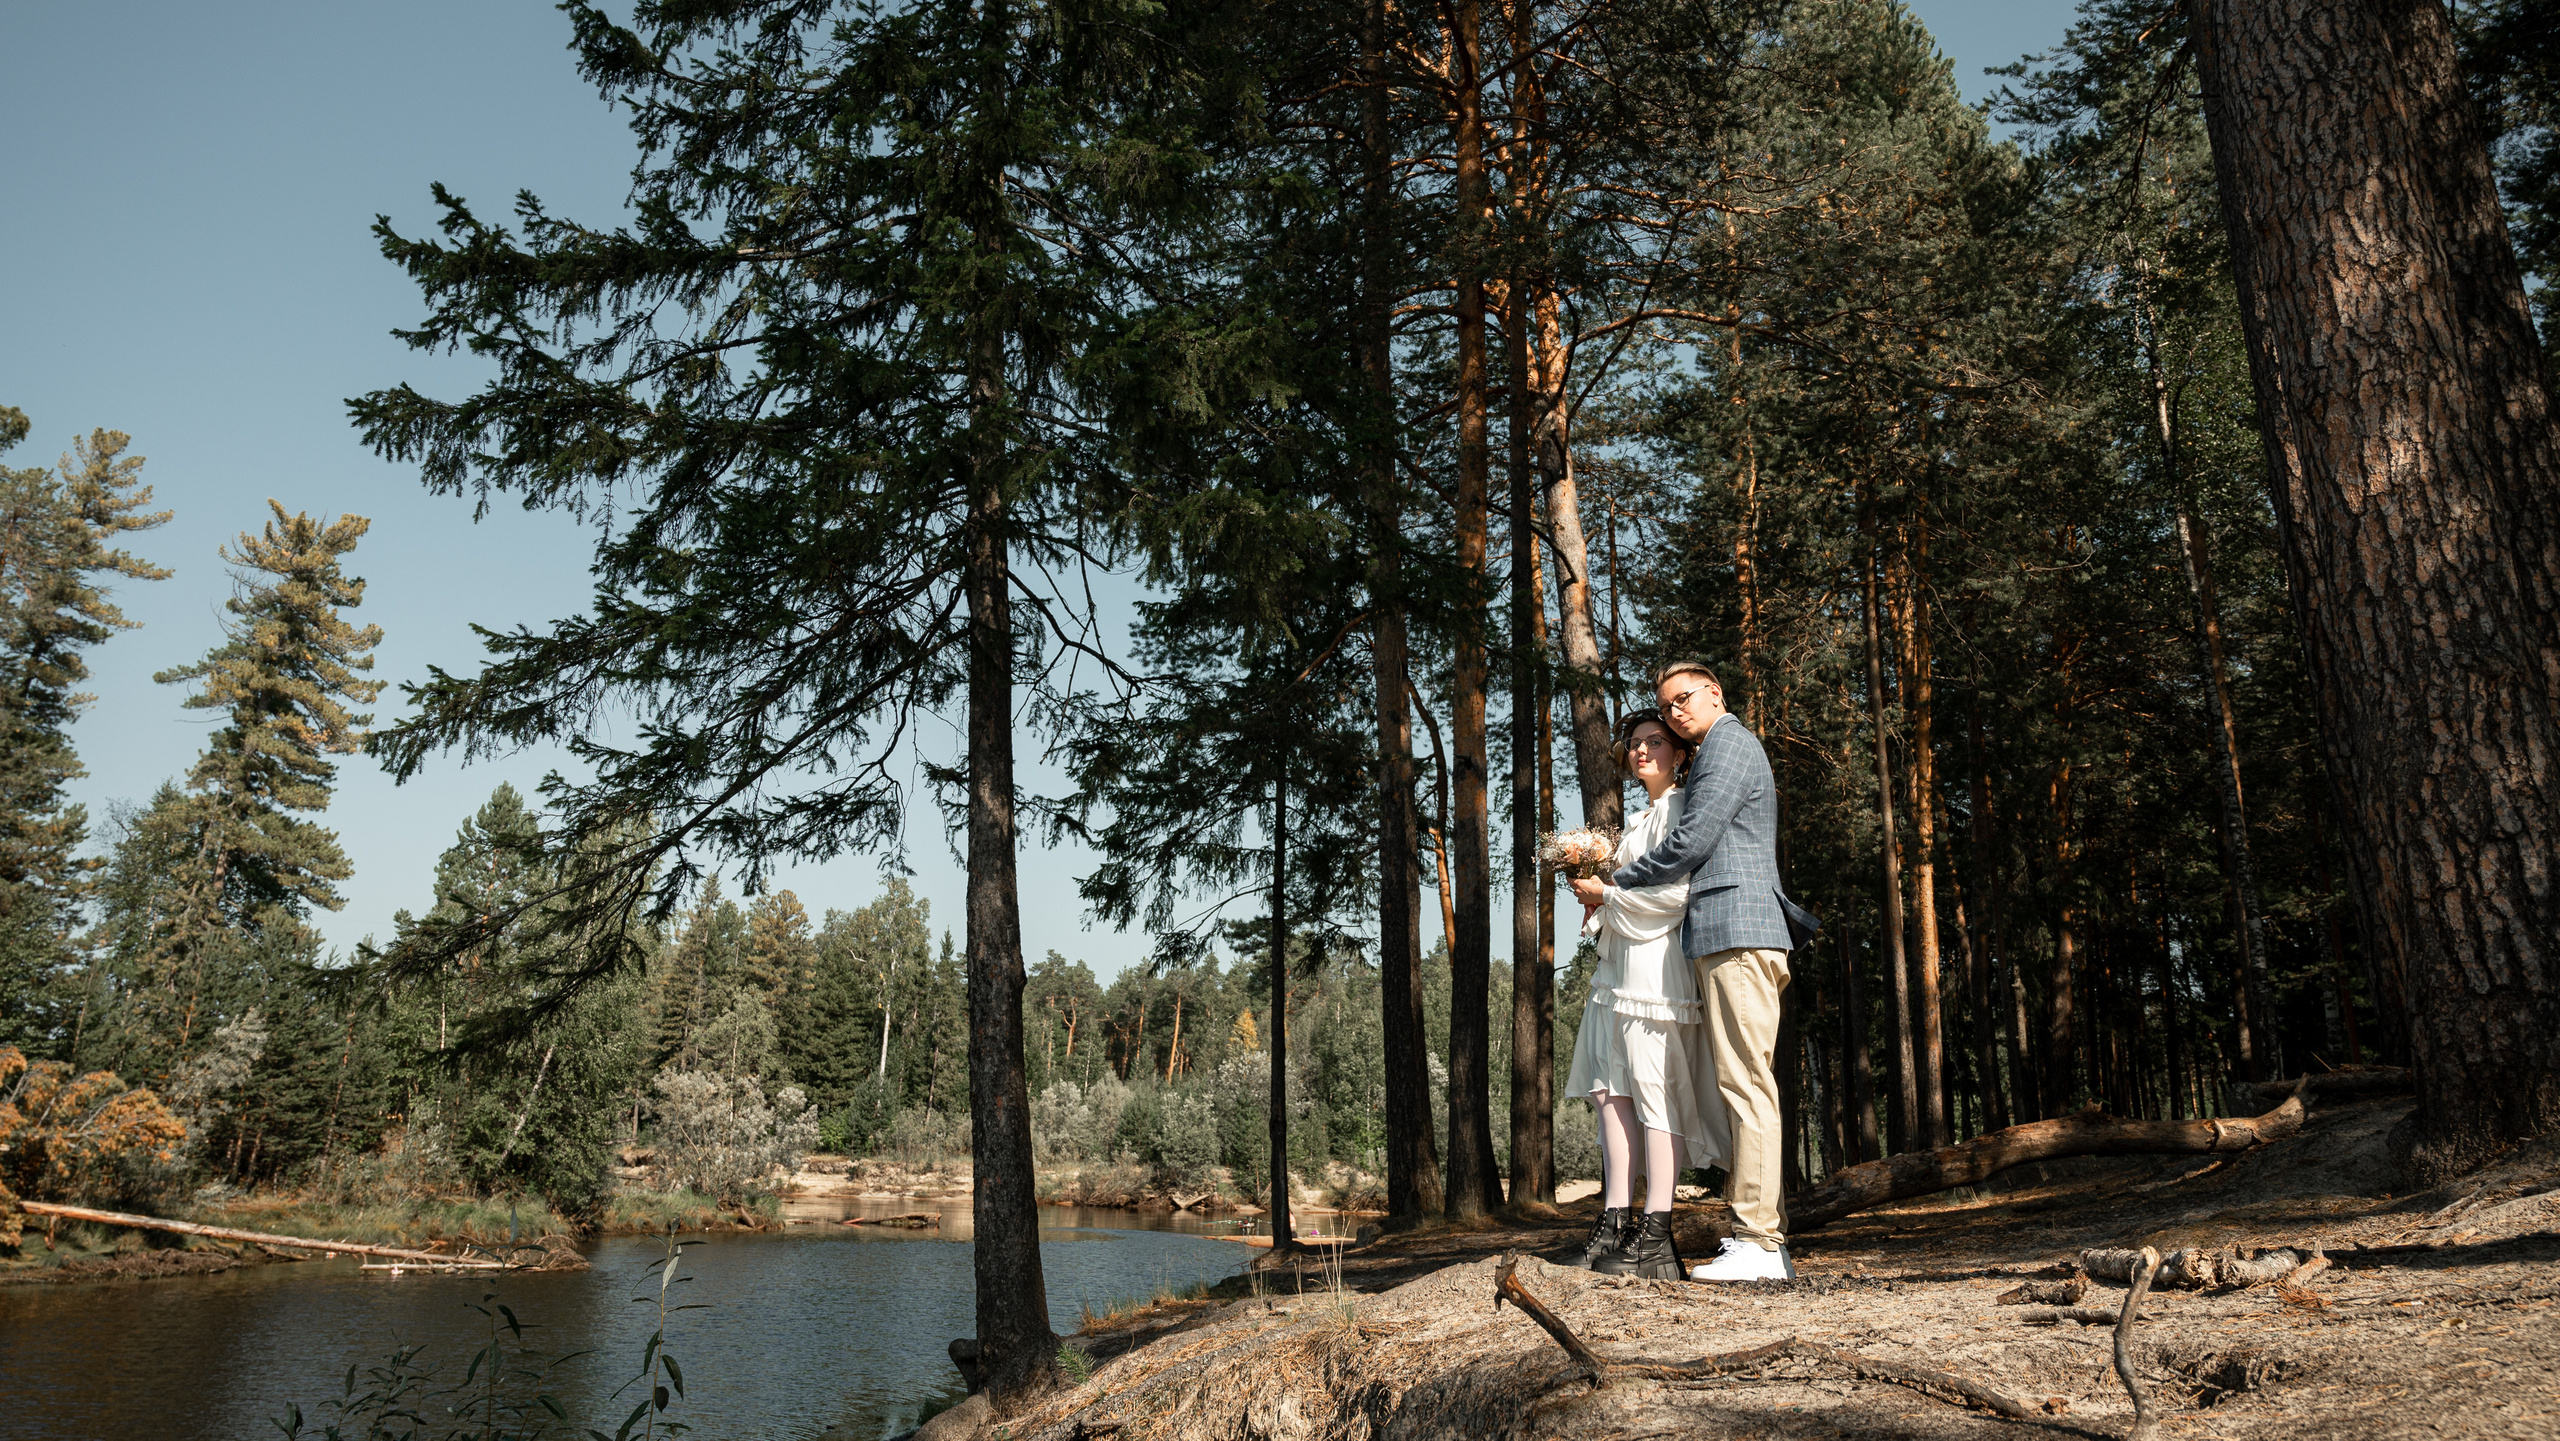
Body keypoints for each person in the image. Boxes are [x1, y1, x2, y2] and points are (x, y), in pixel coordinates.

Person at [1572, 659, 1798, 1281]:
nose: (1674, 712)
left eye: (1683, 701)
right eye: (1666, 704)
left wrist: (1613, 883)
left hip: (1739, 930)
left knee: (1746, 1086)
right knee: (1740, 1084)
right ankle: (1758, 1239)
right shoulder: (1718, 750)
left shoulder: (1728, 745)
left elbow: (1691, 845)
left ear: (1716, 694)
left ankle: (1759, 1243)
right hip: (1722, 937)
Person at [1561, 710, 1728, 1280]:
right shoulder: (1639, 820)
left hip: (1658, 973)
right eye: (1633, 744)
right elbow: (1628, 894)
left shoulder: (1682, 811)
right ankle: (1614, 1222)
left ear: (1680, 754)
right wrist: (1597, 899)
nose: (1641, 751)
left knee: (1657, 1097)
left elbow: (1675, 898)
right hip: (1619, 970)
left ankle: (1658, 1235)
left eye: (1655, 742)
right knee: (1612, 1095)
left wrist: (1607, 895)